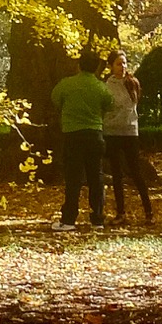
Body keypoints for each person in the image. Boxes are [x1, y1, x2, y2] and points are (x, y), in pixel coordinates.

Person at [50, 47, 110, 228]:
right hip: (94, 134)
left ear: (78, 65)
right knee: (96, 177)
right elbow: (109, 104)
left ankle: (69, 219)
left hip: (73, 135)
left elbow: (55, 99)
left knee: (73, 178)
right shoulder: (100, 87)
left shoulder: (66, 84)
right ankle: (97, 218)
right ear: (96, 67)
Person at [102, 48, 153, 222]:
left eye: (124, 63)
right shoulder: (106, 86)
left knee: (136, 172)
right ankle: (121, 213)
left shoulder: (132, 83)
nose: (122, 67)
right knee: (117, 173)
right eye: (118, 63)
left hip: (130, 131)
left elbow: (131, 106)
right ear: (110, 66)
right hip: (112, 132)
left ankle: (148, 212)